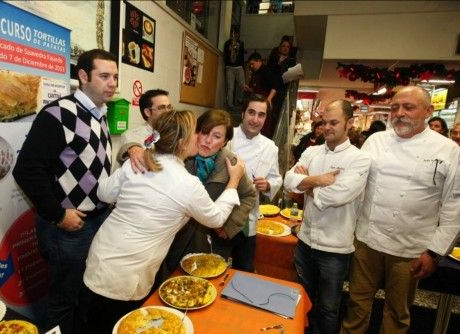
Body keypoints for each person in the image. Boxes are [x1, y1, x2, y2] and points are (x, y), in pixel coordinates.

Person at [82, 110, 245, 332]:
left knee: (89, 319)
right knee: (119, 325)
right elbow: (215, 218)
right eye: (196, 133)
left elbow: (103, 193)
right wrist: (234, 181)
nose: (200, 138)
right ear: (181, 142)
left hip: (101, 254)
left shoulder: (137, 163)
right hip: (129, 272)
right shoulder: (187, 184)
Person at [12, 49, 118, 333]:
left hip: (94, 221)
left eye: (115, 77)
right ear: (83, 76)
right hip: (67, 228)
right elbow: (26, 170)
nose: (112, 83)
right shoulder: (58, 114)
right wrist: (58, 215)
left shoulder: (100, 114)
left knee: (85, 293)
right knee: (62, 300)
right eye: (104, 76)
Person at [341, 86, 460, 334]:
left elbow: (454, 206)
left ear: (428, 111)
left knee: (397, 314)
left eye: (409, 107)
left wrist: (435, 252)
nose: (399, 113)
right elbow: (354, 182)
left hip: (410, 248)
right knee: (356, 305)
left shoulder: (448, 150)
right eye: (395, 107)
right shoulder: (376, 141)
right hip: (367, 240)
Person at [283, 100, 371, 334]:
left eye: (334, 122)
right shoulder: (312, 151)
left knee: (329, 308)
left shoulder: (359, 159)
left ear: (349, 123)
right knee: (302, 298)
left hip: (335, 249)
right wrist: (319, 180)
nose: (327, 127)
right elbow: (288, 180)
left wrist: (307, 184)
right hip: (305, 241)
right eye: (325, 122)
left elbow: (339, 195)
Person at [157, 109, 257, 281]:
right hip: (177, 236)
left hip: (212, 241)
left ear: (225, 142)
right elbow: (152, 151)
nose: (208, 141)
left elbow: (248, 195)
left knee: (205, 287)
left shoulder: (232, 164)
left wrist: (229, 226)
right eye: (204, 132)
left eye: (217, 136)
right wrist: (132, 148)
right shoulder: (181, 154)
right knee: (171, 283)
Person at [227, 94, 283, 271]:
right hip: (222, 216)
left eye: (261, 115)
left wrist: (267, 185)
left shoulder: (270, 147)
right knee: (216, 267)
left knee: (243, 270)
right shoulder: (226, 136)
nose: (255, 119)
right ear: (243, 113)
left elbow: (276, 177)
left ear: (266, 118)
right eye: (251, 112)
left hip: (248, 221)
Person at [116, 89, 171, 167]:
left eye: (169, 107)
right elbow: (120, 173)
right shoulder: (131, 137)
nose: (168, 111)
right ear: (147, 112)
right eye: (161, 108)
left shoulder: (175, 135)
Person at [244, 53, 279, 138]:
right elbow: (254, 88)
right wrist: (249, 89)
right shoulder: (254, 73)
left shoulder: (267, 71)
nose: (251, 66)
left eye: (253, 63)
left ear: (259, 61)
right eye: (250, 64)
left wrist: (269, 99)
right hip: (255, 100)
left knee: (264, 124)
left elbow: (275, 86)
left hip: (264, 101)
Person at [223, 26, 245, 110]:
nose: (235, 35)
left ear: (238, 34)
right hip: (230, 67)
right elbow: (225, 55)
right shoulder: (227, 43)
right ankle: (230, 104)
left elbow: (242, 55)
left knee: (242, 85)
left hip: (239, 67)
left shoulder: (241, 43)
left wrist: (237, 49)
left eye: (236, 34)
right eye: (233, 34)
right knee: (230, 87)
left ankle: (240, 99)